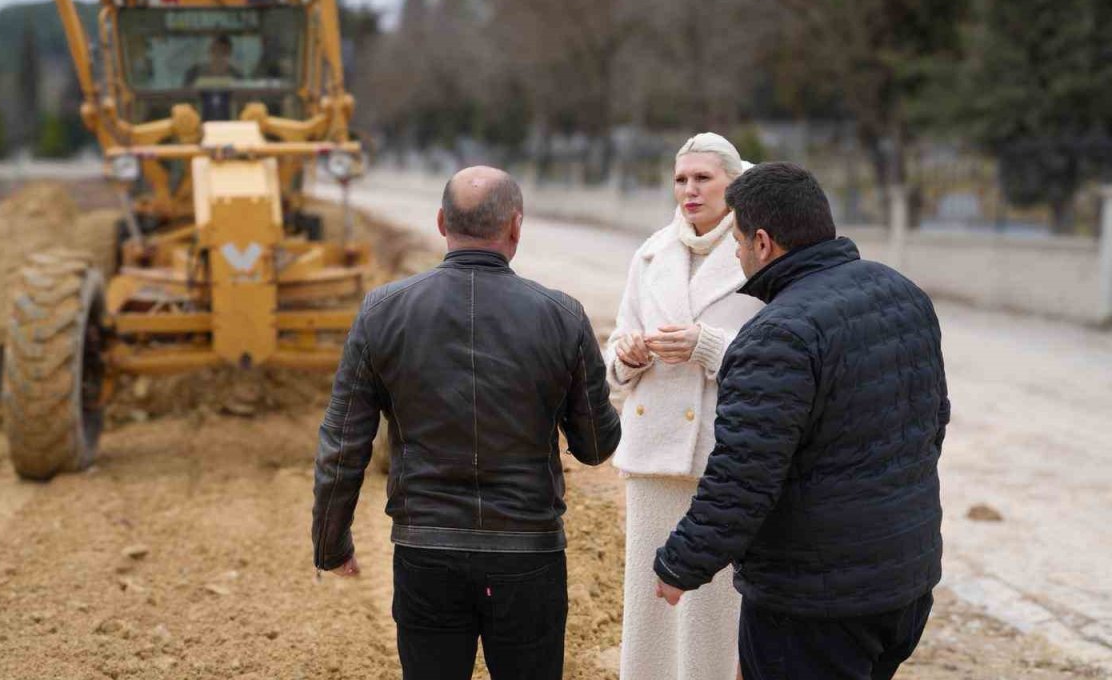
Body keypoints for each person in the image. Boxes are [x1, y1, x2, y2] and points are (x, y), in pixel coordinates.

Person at [311, 166, 621, 680]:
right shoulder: (562, 315)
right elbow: (594, 446)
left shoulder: (381, 312)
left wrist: (331, 540)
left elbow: (343, 444)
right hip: (528, 553)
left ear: (440, 222)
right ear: (516, 227)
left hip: (425, 551)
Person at [654, 162, 951, 680]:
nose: (739, 254)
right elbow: (931, 425)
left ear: (764, 243)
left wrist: (682, 562)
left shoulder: (777, 336)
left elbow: (744, 475)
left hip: (814, 605)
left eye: (740, 242)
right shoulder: (902, 292)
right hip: (904, 582)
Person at [605, 132, 763, 680]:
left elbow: (783, 355)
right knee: (649, 603)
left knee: (714, 607)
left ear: (733, 183)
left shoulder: (759, 253)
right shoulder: (650, 253)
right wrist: (626, 356)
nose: (689, 190)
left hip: (723, 455)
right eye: (681, 179)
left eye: (703, 179)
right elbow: (619, 344)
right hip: (652, 456)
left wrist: (708, 347)